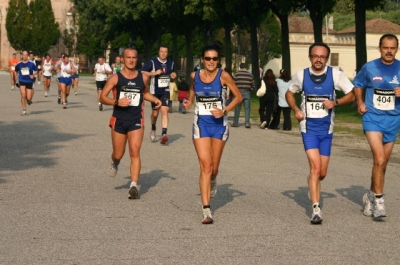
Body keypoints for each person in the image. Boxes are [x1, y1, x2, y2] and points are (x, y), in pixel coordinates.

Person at [285, 43, 354, 224]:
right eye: (315, 56)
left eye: (322, 57)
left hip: (326, 129)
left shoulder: (335, 75)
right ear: (310, 57)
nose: (318, 60)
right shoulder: (301, 75)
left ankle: (312, 182)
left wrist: (336, 102)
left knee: (321, 172)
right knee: (315, 167)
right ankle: (316, 209)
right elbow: (289, 93)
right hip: (308, 129)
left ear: (327, 59)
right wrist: (295, 110)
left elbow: (352, 93)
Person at [183, 45, 242, 224]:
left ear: (219, 60)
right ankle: (206, 209)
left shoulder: (223, 76)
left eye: (214, 59)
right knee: (205, 165)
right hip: (201, 124)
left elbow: (238, 97)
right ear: (202, 59)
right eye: (208, 58)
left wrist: (224, 111)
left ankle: (213, 179)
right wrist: (189, 101)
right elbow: (193, 90)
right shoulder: (195, 75)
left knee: (214, 169)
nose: (211, 62)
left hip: (219, 126)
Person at [99, 47, 162, 199]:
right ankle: (115, 163)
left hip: (136, 119)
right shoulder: (115, 78)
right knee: (118, 154)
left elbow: (144, 93)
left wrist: (154, 99)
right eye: (129, 57)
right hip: (119, 120)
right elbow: (102, 97)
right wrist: (116, 102)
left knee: (134, 151)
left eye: (134, 57)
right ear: (123, 59)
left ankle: (133, 185)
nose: (132, 60)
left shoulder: (143, 77)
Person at [353, 33, 400, 219]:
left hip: (394, 119)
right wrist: (359, 102)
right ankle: (379, 200)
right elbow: (357, 84)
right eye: (386, 47)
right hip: (373, 117)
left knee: (383, 163)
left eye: (393, 48)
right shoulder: (369, 67)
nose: (389, 51)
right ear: (380, 48)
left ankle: (370, 196)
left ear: (396, 49)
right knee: (379, 159)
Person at [141, 45, 175, 144]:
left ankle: (164, 134)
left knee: (165, 111)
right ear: (158, 52)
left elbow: (172, 74)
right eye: (162, 51)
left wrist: (173, 75)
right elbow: (142, 72)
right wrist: (154, 73)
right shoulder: (153, 62)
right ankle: (153, 127)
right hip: (154, 92)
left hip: (165, 91)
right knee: (155, 114)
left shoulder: (171, 63)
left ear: (167, 53)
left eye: (165, 52)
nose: (163, 53)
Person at [232, 63, 255, 128]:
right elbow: (253, 85)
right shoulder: (250, 75)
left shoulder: (236, 74)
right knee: (247, 108)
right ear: (246, 67)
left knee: (237, 108)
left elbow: (233, 84)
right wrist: (250, 89)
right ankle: (247, 123)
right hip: (247, 92)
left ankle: (235, 123)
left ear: (240, 67)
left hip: (238, 92)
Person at [15, 50, 37, 116]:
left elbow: (36, 70)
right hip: (22, 80)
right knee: (23, 95)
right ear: (22, 55)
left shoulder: (31, 63)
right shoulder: (19, 64)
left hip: (29, 81)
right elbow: (16, 70)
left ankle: (28, 100)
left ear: (27, 56)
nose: (25, 56)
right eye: (23, 55)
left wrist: (33, 75)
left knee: (29, 98)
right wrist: (16, 77)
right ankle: (24, 110)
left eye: (26, 55)